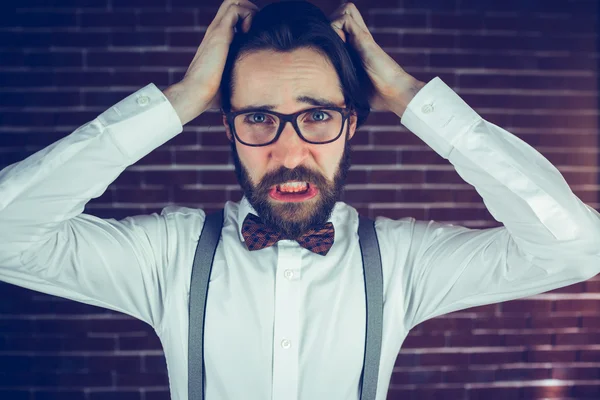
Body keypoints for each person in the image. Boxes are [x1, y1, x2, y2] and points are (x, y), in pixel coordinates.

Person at [0, 1, 598, 399]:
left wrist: (412, 97)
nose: (289, 154)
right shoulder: (169, 256)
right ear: (226, 124)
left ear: (352, 125)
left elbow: (575, 248)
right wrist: (178, 101)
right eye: (259, 118)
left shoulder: (402, 263)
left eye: (316, 116)